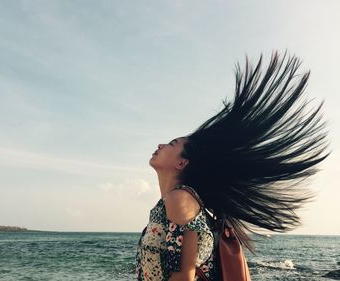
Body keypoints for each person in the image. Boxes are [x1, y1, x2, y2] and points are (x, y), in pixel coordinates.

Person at [135, 51, 330, 281]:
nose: (161, 144)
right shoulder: (176, 202)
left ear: (182, 162)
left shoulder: (180, 200)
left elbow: (184, 277)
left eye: (171, 143)